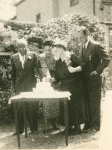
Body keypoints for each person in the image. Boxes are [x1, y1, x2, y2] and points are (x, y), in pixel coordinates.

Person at [78, 26, 110, 132]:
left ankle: (95, 125)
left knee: (94, 102)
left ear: (87, 35)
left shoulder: (96, 46)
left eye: (81, 37)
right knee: (86, 102)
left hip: (94, 79)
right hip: (84, 80)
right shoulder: (81, 46)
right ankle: (88, 124)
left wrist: (97, 71)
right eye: (78, 38)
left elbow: (106, 59)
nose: (80, 39)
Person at [52, 40, 88, 135]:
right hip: (64, 87)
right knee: (66, 106)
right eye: (53, 52)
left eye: (55, 51)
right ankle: (68, 127)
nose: (54, 53)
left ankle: (77, 127)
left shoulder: (72, 56)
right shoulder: (58, 61)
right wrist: (51, 79)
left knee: (75, 106)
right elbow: (57, 76)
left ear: (61, 50)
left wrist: (75, 69)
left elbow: (83, 66)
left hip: (75, 86)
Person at [11, 39, 43, 135]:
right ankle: (19, 129)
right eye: (20, 47)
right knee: (19, 107)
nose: (22, 49)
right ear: (17, 48)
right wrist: (12, 87)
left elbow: (38, 69)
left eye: (24, 46)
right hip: (19, 86)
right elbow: (13, 75)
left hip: (31, 85)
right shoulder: (13, 58)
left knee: (32, 107)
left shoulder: (33, 55)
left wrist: (43, 80)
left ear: (27, 46)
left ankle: (34, 129)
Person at [39, 39, 59, 131]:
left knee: (55, 102)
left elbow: (59, 68)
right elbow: (45, 68)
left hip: (57, 80)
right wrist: (49, 78)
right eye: (46, 50)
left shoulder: (56, 56)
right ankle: (46, 124)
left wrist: (56, 78)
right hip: (46, 81)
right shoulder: (41, 57)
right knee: (46, 103)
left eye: (49, 50)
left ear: (52, 49)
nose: (48, 52)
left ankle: (55, 123)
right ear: (43, 49)